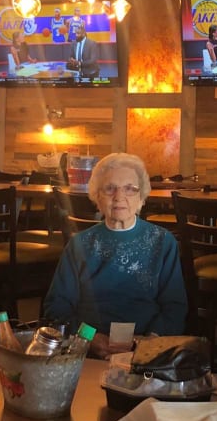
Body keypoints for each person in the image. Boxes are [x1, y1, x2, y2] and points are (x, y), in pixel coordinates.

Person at [43, 153, 187, 358]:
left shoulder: (163, 242)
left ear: (141, 197)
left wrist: (149, 342)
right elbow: (57, 308)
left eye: (130, 189)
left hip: (147, 350)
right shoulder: (79, 244)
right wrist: (90, 338)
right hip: (88, 350)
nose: (119, 197)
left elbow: (175, 307)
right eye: (110, 188)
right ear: (97, 197)